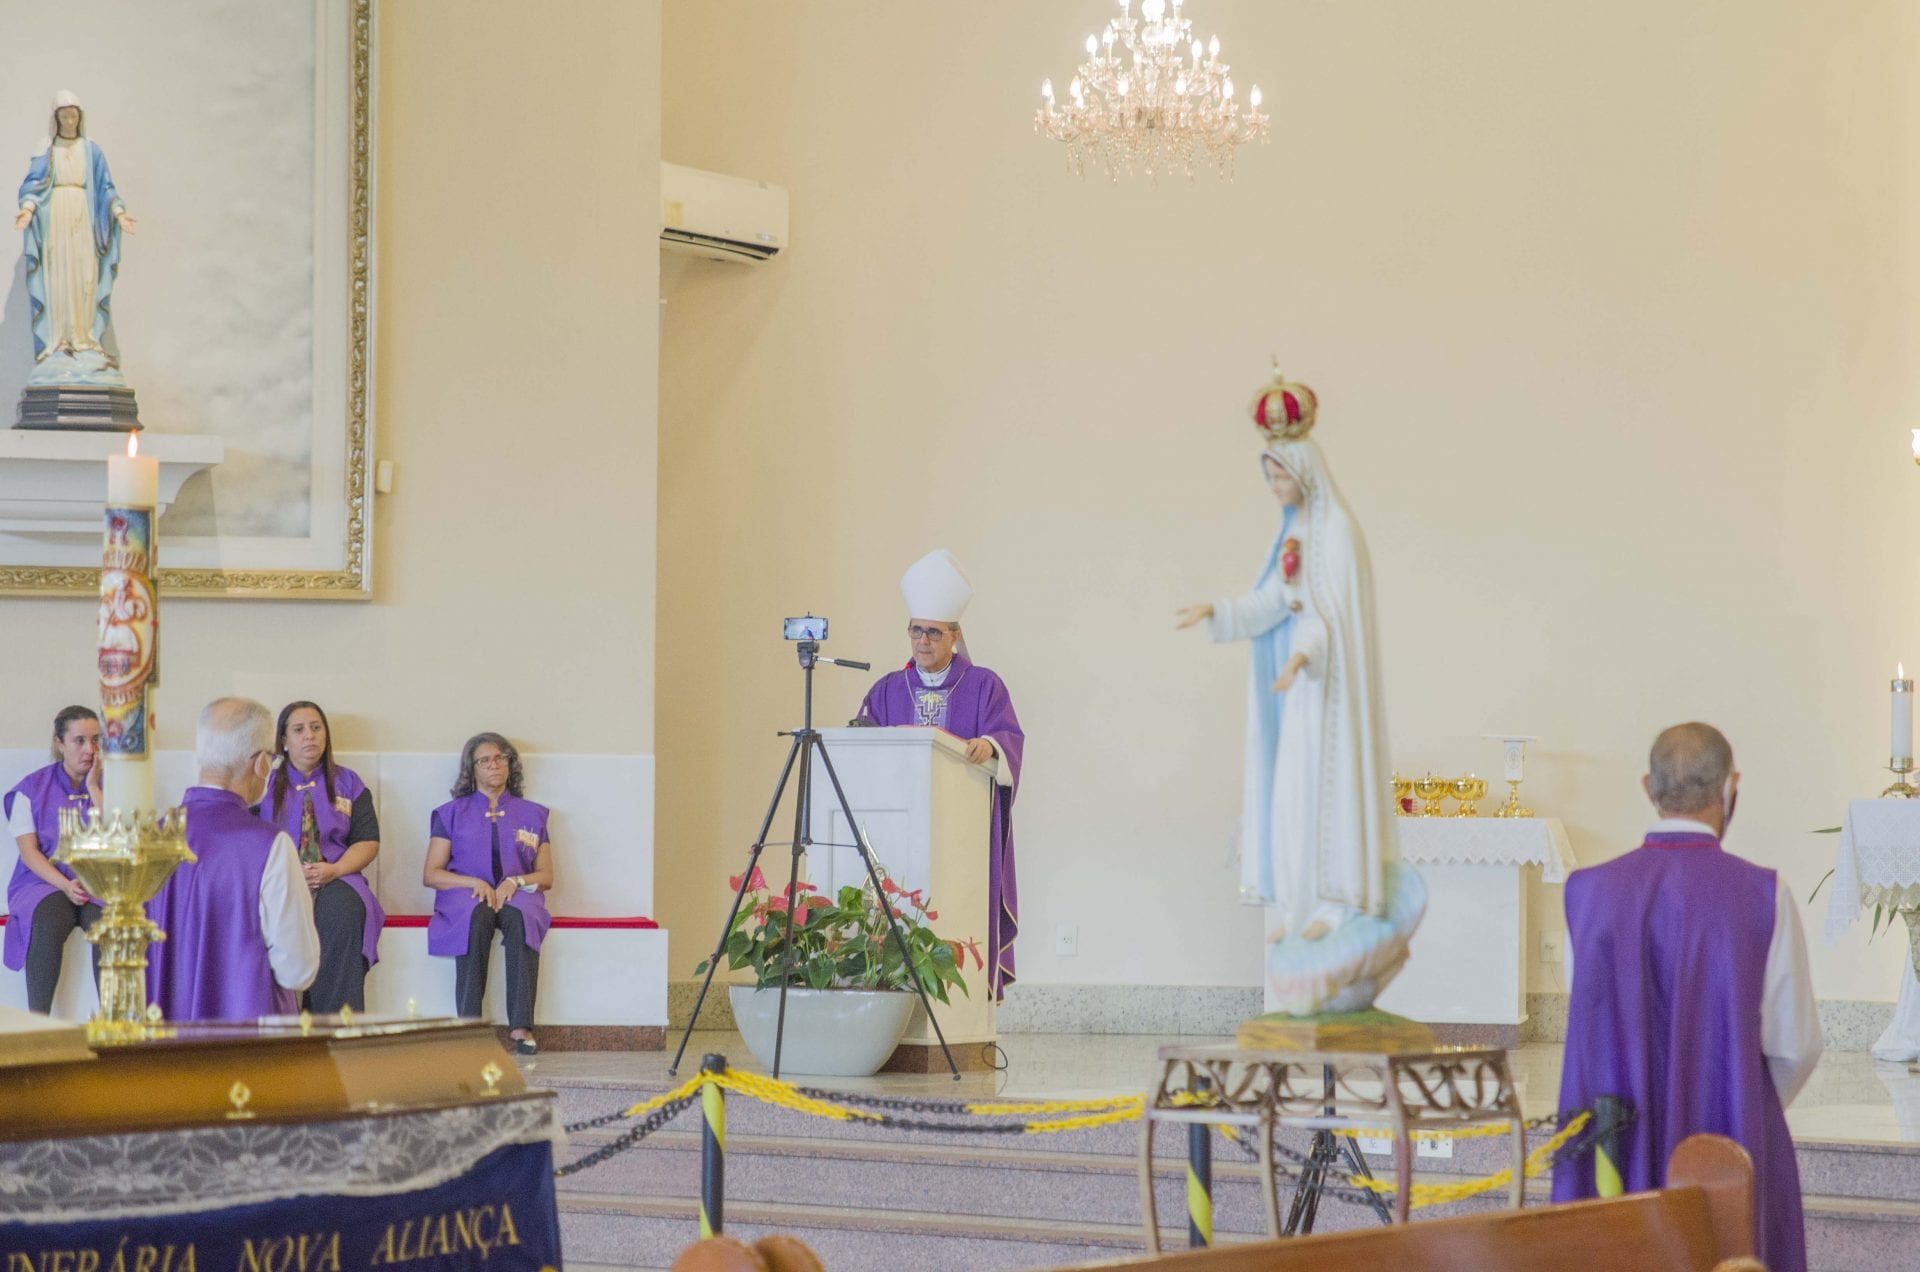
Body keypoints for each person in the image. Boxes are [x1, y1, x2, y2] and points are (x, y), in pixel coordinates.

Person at [1552, 722, 1821, 1272]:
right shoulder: (1763, 893)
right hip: (1726, 1129)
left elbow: (1584, 1012)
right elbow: (1795, 1045)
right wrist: (1738, 1097)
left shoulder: (1586, 892)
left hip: (1615, 1134)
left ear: (1648, 788)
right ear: (1730, 787)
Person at [1176, 373, 1397, 945]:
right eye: (1269, 475)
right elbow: (1277, 600)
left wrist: (1302, 657)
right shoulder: (1296, 530)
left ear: (1304, 472)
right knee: (1293, 796)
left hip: (1331, 692)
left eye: (1279, 475)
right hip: (1299, 691)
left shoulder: (1337, 531)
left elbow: (1331, 620)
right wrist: (1219, 611)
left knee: (1328, 794)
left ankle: (1336, 905)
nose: (1273, 485)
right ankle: (1298, 909)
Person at [854, 549, 1025, 998]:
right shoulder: (887, 690)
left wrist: (990, 746)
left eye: (934, 632)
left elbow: (1008, 738)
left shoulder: (984, 685)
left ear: (955, 635)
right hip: (896, 835)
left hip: (961, 836)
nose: (923, 641)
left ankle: (963, 1002)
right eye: (916, 630)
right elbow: (861, 750)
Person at [145, 698, 320, 1020]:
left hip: (165, 1039)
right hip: (248, 1041)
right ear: (261, 763)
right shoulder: (270, 845)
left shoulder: (151, 838)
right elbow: (297, 970)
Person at [425, 733, 554, 1055]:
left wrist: (516, 881)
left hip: (517, 894)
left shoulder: (534, 814)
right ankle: (469, 1027)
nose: (494, 765)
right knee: (476, 918)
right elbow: (431, 874)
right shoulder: (450, 813)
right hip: (466, 894)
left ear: (510, 764)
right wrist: (472, 883)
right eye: (484, 760)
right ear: (472, 769)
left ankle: (522, 1027)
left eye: (500, 758)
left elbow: (546, 876)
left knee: (521, 919)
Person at [258, 701, 384, 1013]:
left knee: (345, 912)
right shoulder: (262, 784)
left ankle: (333, 1024)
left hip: (337, 875)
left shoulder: (349, 783)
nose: (309, 736)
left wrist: (335, 870)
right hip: (278, 878)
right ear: (284, 740)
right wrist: (285, 872)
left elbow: (367, 841)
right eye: (298, 729)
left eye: (316, 728)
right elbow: (248, 838)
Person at [14, 90, 134, 377]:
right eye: (64, 116)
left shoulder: (91, 150)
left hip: (83, 216)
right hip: (55, 218)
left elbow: (106, 188)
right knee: (58, 277)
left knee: (84, 276)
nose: (69, 121)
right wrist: (27, 210)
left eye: (73, 116)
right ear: (56, 119)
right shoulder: (47, 149)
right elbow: (33, 185)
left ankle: (85, 338)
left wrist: (119, 213)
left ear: (80, 118)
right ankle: (59, 340)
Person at [3, 706, 103, 1013]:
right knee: (46, 921)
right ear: (59, 743)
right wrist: (65, 884)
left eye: (95, 740)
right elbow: (29, 852)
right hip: (43, 881)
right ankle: (38, 1022)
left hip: (97, 881)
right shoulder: (31, 789)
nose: (90, 750)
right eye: (79, 741)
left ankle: (114, 1022)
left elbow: (118, 837)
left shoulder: (112, 785)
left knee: (110, 926)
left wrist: (94, 789)